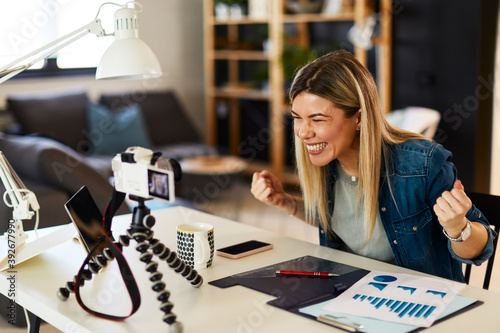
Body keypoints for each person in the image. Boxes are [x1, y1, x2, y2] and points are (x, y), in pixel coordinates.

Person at [250, 50, 497, 282]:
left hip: (415, 301)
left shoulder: (422, 164)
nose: (303, 132)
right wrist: (285, 201)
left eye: (317, 119)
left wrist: (458, 228)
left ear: (358, 118)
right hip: (347, 293)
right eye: (297, 118)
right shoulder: (328, 161)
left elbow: (481, 250)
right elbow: (339, 220)